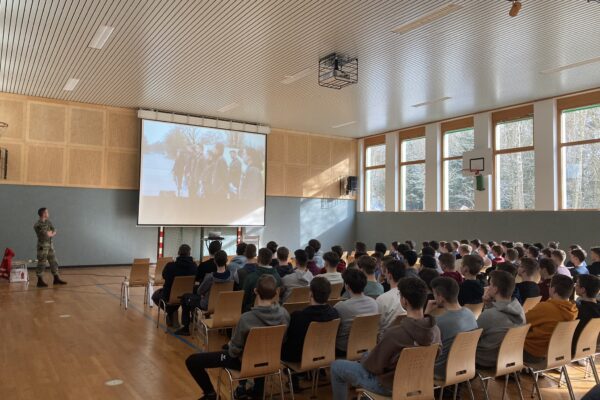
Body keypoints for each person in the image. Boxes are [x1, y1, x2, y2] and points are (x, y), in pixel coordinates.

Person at [330, 278, 442, 400]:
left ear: (404, 301)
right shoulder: (435, 330)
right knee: (368, 355)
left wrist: (366, 359)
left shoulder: (395, 333)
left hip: (389, 386)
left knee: (337, 366)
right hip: (418, 382)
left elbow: (373, 367)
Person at [185, 275, 289, 400]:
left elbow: (234, 352)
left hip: (244, 362)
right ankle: (255, 390)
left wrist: (230, 346)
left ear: (255, 291)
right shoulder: (284, 314)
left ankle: (210, 394)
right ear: (276, 292)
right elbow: (282, 340)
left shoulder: (247, 318)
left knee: (192, 361)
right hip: (270, 360)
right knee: (258, 351)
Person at [426, 277, 478, 378]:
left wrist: (426, 314)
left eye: (435, 294)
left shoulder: (438, 321)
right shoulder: (470, 314)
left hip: (441, 371)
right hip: (465, 366)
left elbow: (422, 346)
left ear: (440, 297)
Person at [282, 277, 339, 363]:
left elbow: (291, 340)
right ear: (328, 294)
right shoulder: (335, 314)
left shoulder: (298, 316)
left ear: (310, 294)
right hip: (324, 353)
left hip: (299, 358)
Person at [176, 249, 233, 336]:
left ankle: (186, 328)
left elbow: (199, 291)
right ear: (226, 260)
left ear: (214, 261)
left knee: (185, 297)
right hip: (223, 304)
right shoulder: (231, 275)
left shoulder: (210, 277)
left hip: (207, 304)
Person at [476, 270, 526, 368]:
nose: (488, 287)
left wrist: (486, 308)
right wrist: (488, 304)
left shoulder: (489, 315)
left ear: (495, 289)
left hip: (486, 360)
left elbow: (473, 337)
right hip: (509, 357)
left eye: (490, 285)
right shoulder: (519, 308)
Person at [524, 274, 577, 363]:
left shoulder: (545, 307)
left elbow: (523, 321)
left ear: (552, 289)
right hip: (554, 354)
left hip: (533, 353)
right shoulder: (573, 310)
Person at [334, 268, 379, 356]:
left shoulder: (341, 306)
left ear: (347, 286)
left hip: (344, 349)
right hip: (368, 347)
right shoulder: (374, 303)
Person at [152, 244, 197, 328]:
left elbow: (164, 276)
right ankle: (175, 312)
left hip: (170, 296)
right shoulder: (194, 266)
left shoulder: (170, 266)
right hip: (188, 296)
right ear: (189, 253)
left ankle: (171, 311)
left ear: (178, 253)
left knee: (155, 296)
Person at [33, 208, 67, 287]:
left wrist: (51, 233)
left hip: (50, 245)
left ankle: (56, 278)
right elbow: (46, 234)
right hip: (43, 246)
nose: (48, 213)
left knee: (54, 261)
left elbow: (54, 230)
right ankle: (40, 281)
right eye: (47, 212)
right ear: (43, 213)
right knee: (42, 263)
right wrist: (50, 233)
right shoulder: (37, 225)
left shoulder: (48, 222)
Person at [376, 260, 407, 338]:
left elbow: (377, 326)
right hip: (405, 337)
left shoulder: (382, 299)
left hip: (385, 340)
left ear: (389, 275)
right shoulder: (411, 295)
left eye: (385, 272)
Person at [572, 274, 600, 355]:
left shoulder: (576, 309)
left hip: (573, 347)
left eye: (577, 284)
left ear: (583, 290)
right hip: (592, 346)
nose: (575, 286)